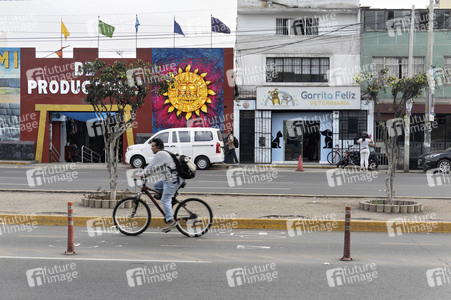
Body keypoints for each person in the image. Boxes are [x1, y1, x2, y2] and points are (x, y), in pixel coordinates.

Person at [140, 138, 184, 233]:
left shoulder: (160, 154)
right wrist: (147, 174)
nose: (151, 148)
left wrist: (142, 174)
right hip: (169, 178)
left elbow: (151, 166)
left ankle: (170, 220)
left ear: (158, 147)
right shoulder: (163, 153)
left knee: (165, 199)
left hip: (172, 180)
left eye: (153, 146)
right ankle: (170, 200)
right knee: (157, 185)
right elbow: (155, 167)